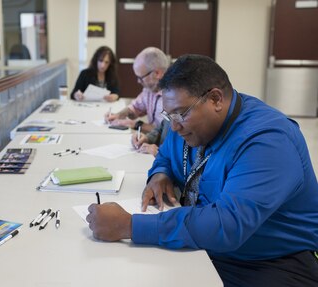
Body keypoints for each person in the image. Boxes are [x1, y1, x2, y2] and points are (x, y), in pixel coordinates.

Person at [87, 54, 318, 286]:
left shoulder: (268, 141)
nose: (174, 127)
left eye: (181, 114)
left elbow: (227, 225)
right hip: (206, 244)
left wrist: (129, 225)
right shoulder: (189, 124)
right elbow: (166, 153)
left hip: (268, 262)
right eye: (169, 116)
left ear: (215, 99)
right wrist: (161, 174)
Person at [105, 47, 169, 133]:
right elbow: (134, 108)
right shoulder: (150, 89)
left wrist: (135, 124)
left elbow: (167, 134)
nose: (138, 81)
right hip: (151, 141)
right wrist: (118, 115)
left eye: (141, 77)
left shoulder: (173, 97)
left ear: (157, 73)